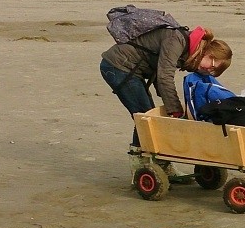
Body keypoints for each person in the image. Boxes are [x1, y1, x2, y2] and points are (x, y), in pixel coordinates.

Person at [99, 24, 232, 149]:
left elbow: (160, 71)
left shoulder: (189, 49)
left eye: (213, 71)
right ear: (208, 52)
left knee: (146, 115)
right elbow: (164, 77)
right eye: (213, 65)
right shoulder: (177, 41)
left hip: (131, 69)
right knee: (145, 116)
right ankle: (141, 159)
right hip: (118, 66)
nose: (208, 70)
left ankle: (147, 157)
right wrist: (176, 111)